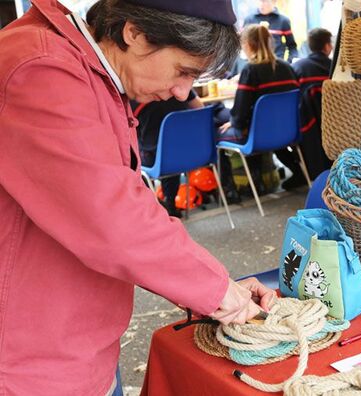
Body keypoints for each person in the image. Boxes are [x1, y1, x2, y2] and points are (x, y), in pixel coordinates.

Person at [0, 1, 275, 394]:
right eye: (183, 72)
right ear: (135, 33)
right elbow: (113, 219)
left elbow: (128, 206)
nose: (183, 93)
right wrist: (216, 290)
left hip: (80, 342)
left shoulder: (89, 72)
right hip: (30, 364)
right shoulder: (40, 68)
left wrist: (215, 286)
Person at [219, 24, 299, 191]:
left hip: (259, 136)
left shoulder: (250, 70)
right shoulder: (287, 67)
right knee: (263, 131)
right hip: (287, 132)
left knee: (218, 133)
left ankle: (233, 190)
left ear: (248, 44)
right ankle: (299, 173)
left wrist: (234, 122)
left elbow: (241, 110)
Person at [278, 27, 334, 188]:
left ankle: (300, 173)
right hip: (336, 126)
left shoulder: (298, 68)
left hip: (306, 127)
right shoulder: (335, 69)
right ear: (327, 46)